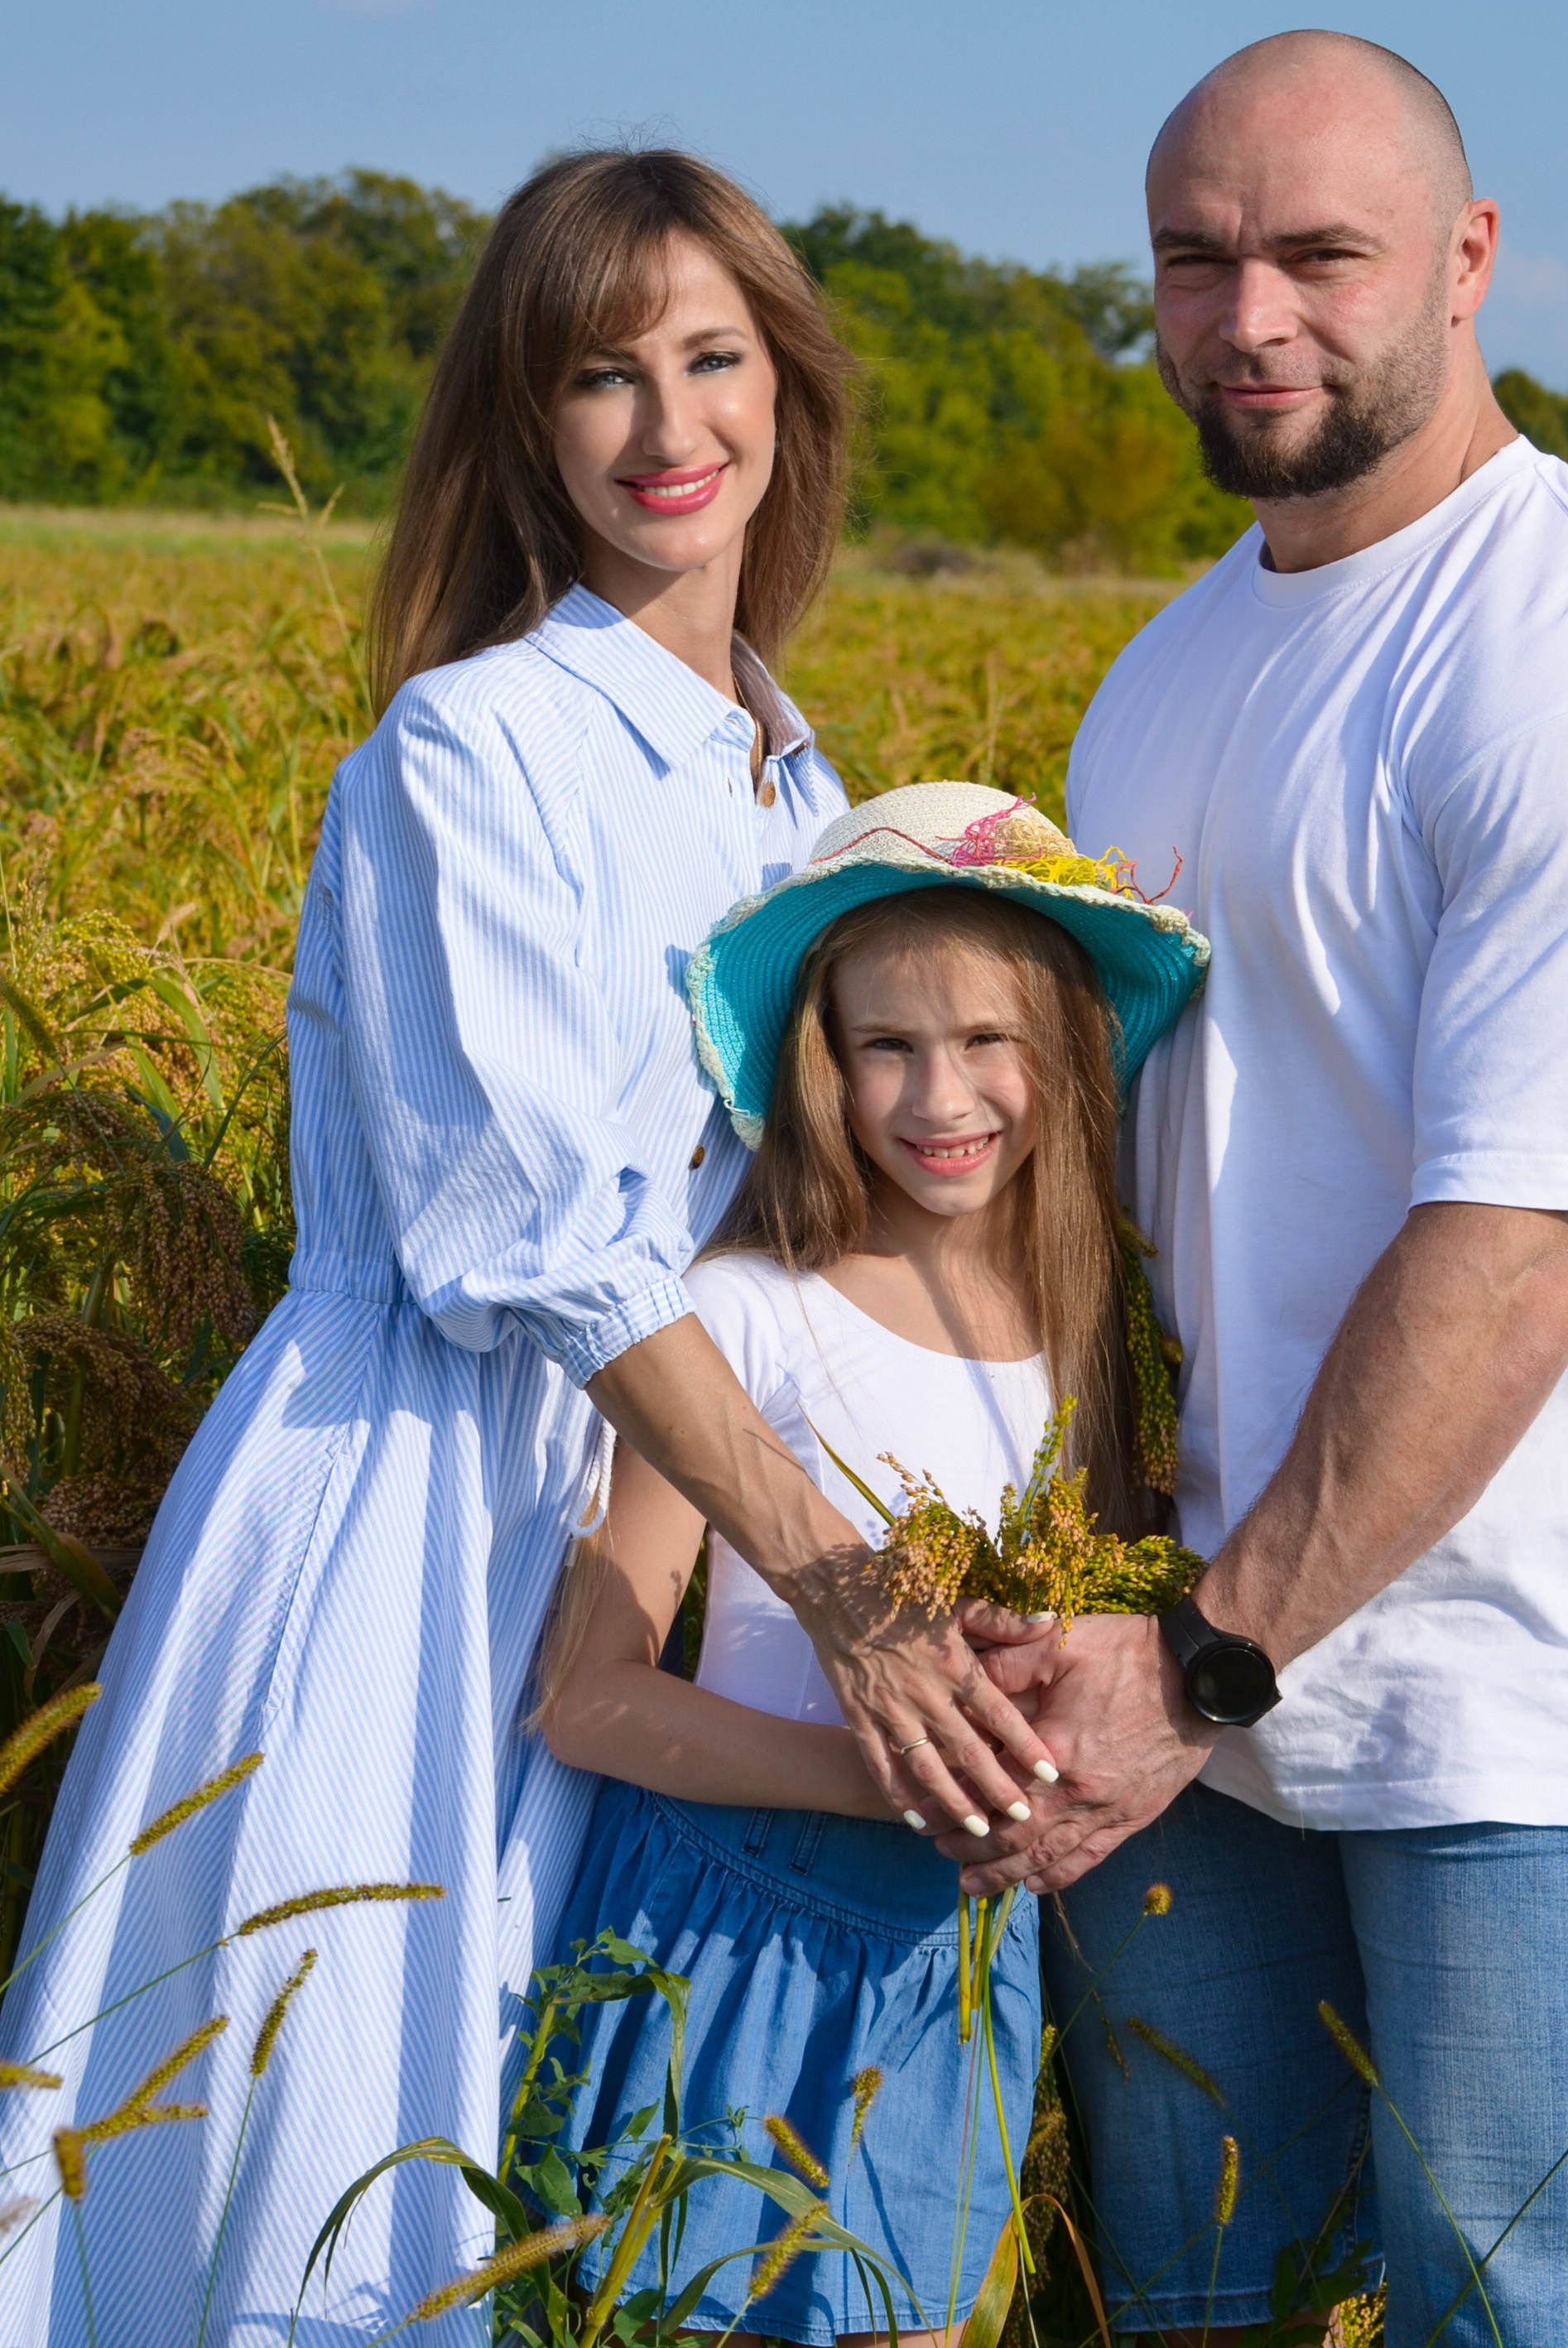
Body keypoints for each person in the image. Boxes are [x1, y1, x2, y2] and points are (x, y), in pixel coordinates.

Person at [0, 155, 1054, 2347]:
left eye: (710, 357)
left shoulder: (795, 779)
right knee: (362, 2162)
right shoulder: (472, 747)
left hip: (675, 1544)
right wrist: (846, 1590)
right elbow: (540, 1237)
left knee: (600, 2169)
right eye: (600, 373)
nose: (667, 425)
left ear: (790, 391)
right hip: (425, 1504)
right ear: (525, 425)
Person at [955, 34, 1568, 2345]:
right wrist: (1088, 1591)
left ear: (1467, 263)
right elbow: (1133, 1199)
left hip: (1511, 1713)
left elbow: (1528, 1239)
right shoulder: (1162, 678)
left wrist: (1205, 1655)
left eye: (1320, 254)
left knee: (1528, 2302)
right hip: (1178, 1669)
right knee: (1192, 2287)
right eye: (1195, 257)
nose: (1250, 315)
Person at [534, 785, 1207, 2341]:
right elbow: (589, 1698)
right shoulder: (748, 1315)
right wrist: (893, 1776)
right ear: (820, 1066)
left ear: (1061, 1053)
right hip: (732, 1926)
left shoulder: (1095, 1341)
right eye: (884, 1045)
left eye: (987, 1042)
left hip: (952, 1952)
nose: (939, 1093)